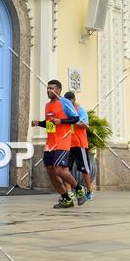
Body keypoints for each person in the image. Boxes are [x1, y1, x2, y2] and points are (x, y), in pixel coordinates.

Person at [31, 80, 86, 209]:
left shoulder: (65, 102)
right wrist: (38, 123)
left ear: (59, 90)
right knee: (50, 170)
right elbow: (50, 124)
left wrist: (60, 121)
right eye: (48, 88)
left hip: (63, 141)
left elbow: (76, 118)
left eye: (52, 88)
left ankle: (79, 188)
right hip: (50, 143)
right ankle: (66, 198)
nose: (49, 90)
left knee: (58, 169)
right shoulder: (47, 106)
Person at [64, 91, 93, 200]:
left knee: (84, 169)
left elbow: (85, 125)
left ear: (73, 100)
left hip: (79, 144)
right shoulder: (66, 111)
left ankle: (89, 191)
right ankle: (68, 192)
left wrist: (74, 121)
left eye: (69, 102)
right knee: (65, 169)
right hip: (67, 144)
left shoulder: (80, 111)